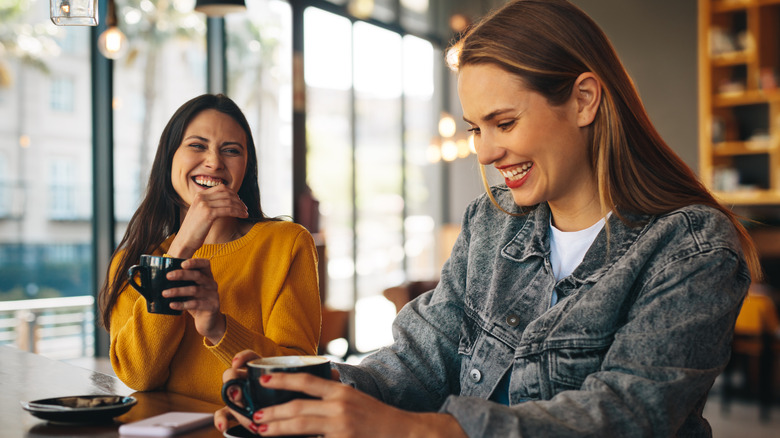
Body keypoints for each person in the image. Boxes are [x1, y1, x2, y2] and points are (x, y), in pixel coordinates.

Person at [215, 0, 761, 436]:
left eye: (503, 122)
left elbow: (626, 414)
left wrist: (417, 432)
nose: (484, 152)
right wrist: (311, 391)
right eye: (477, 128)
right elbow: (418, 360)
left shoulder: (691, 246)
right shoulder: (493, 221)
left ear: (585, 100)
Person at [98, 93, 321, 404]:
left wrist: (219, 328)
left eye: (231, 151)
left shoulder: (287, 243)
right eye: (197, 145)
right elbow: (139, 375)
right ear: (169, 158)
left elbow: (299, 375)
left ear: (246, 168)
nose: (214, 162)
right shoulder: (134, 261)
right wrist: (180, 251)